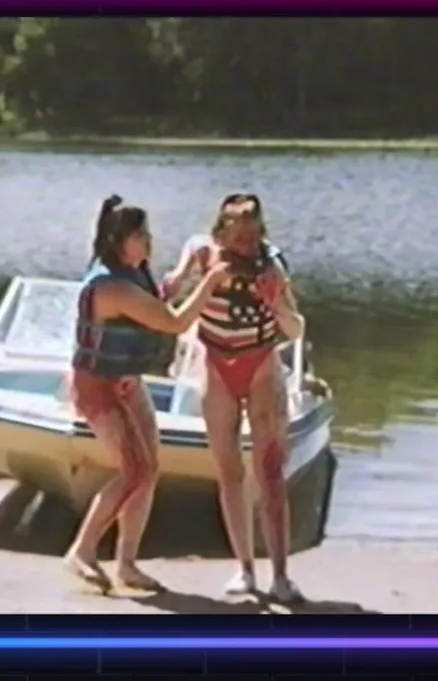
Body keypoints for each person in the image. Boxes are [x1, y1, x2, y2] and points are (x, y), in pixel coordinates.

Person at [65, 195, 230, 592]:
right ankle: (81, 551)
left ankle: (127, 565)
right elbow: (173, 323)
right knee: (134, 471)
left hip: (126, 380)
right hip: (97, 387)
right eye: (140, 235)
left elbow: (158, 300)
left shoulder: (133, 274)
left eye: (147, 233)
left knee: (148, 469)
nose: (149, 240)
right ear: (118, 241)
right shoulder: (111, 286)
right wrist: (210, 282)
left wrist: (188, 270)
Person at [161, 193, 306, 603]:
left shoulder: (271, 266)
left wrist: (276, 303)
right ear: (221, 232)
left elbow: (296, 330)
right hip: (216, 365)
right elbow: (170, 290)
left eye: (252, 236)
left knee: (270, 472)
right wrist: (179, 283)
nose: (246, 245)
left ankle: (281, 575)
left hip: (260, 365)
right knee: (228, 470)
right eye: (238, 237)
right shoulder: (201, 251)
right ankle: (244, 568)